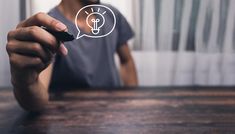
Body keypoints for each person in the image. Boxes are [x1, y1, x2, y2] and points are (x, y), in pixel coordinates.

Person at [6, 0, 138, 112]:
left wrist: (133, 102)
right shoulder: (50, 28)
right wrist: (25, 82)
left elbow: (126, 61)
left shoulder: (111, 15)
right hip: (71, 116)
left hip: (112, 113)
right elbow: (37, 98)